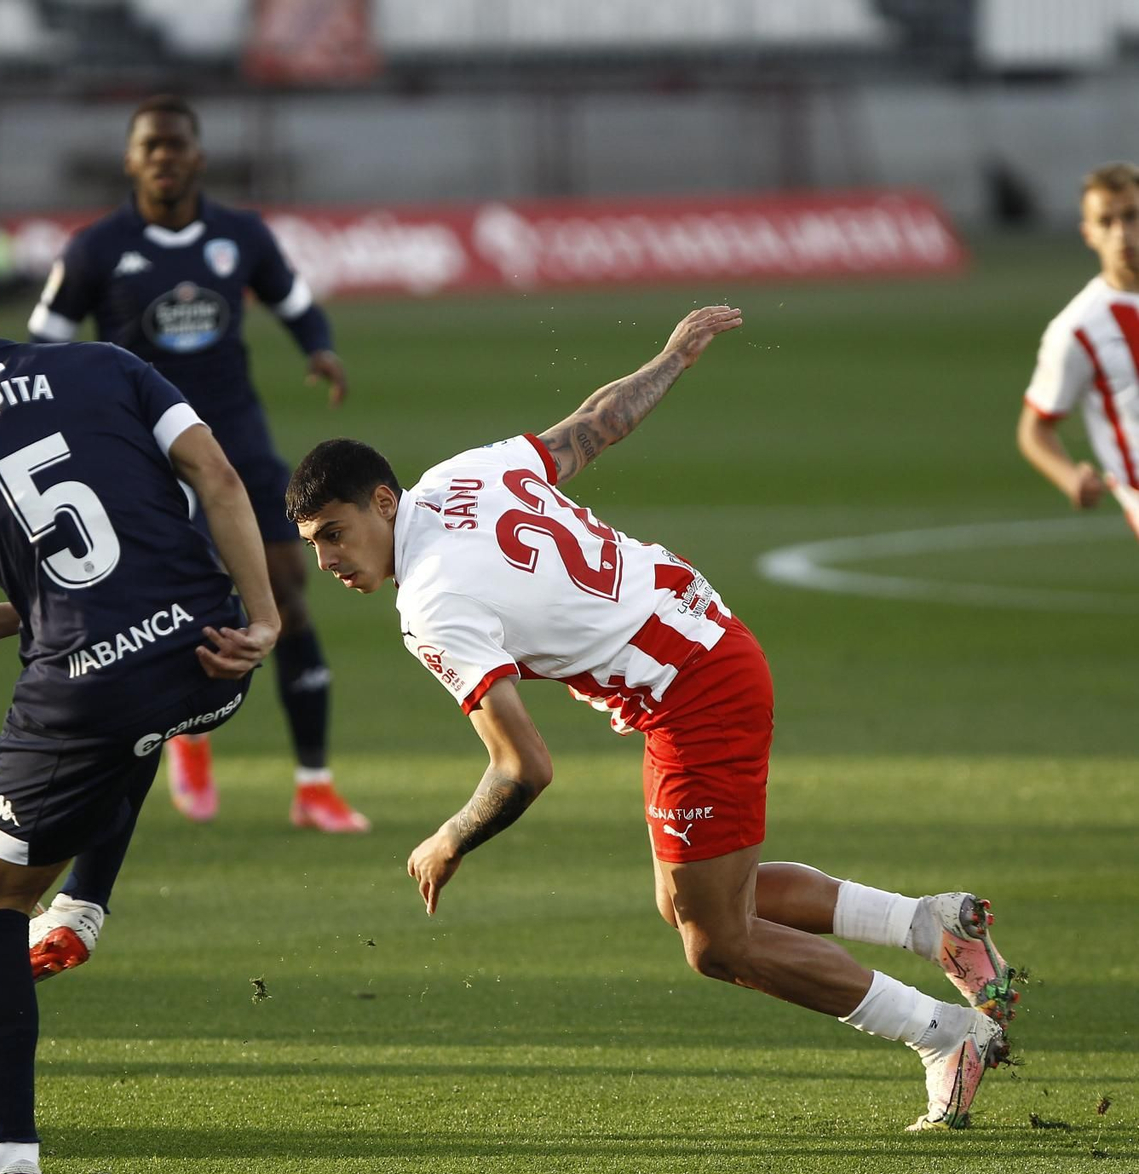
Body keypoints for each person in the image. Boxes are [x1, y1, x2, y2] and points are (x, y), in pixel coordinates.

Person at [286, 306, 1021, 1131]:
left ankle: (944, 1034)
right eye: (316, 545)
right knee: (688, 902)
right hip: (707, 633)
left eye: (336, 534)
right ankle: (932, 926)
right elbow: (589, 430)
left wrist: (447, 838)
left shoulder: (428, 604)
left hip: (691, 692)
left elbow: (522, 765)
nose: (329, 562)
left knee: (717, 942)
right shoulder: (465, 474)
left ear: (383, 502)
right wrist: (672, 357)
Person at [0, 231, 279, 1174]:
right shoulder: (107, 363)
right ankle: (86, 900)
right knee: (146, 708)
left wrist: (23, 610)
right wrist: (261, 616)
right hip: (210, 650)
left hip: (84, 683)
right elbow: (217, 474)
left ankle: (14, 1162)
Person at [28, 94, 367, 835]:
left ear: (198, 155)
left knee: (289, 596)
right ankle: (189, 744)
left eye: (176, 144)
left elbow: (297, 300)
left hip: (237, 444)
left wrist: (321, 346)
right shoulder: (94, 248)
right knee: (167, 610)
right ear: (130, 159)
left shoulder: (239, 234)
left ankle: (314, 784)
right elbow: (41, 342)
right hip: (141, 460)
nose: (164, 156)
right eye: (150, 145)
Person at [1020, 161, 1139, 527]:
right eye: (1106, 221)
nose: (1122, 233)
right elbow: (1034, 429)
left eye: (1132, 216)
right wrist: (1070, 476)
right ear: (1089, 233)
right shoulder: (1079, 329)